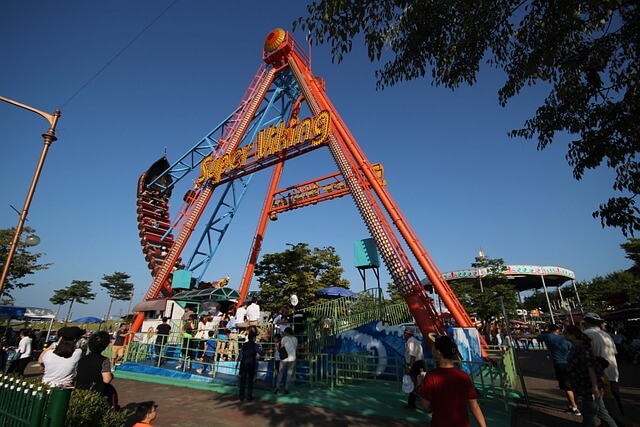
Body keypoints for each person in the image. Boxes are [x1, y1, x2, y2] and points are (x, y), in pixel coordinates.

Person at [418, 335, 486, 427]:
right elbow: (475, 407)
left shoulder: (432, 376)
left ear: (438, 352)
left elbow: (425, 404)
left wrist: (419, 385)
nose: (432, 349)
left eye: (434, 346)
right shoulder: (464, 376)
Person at [564, 325, 617, 427]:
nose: (563, 335)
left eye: (565, 333)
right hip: (585, 386)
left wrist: (594, 387)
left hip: (588, 386)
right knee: (601, 413)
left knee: (589, 416)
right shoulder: (576, 347)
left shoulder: (582, 349)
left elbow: (590, 369)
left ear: (572, 335)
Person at [583, 312, 623, 415]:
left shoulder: (586, 334)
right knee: (614, 397)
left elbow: (585, 355)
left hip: (599, 373)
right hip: (612, 371)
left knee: (603, 402)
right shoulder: (606, 334)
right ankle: (620, 416)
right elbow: (615, 352)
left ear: (587, 322)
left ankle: (613, 420)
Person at [537, 324, 581, 415]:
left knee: (567, 387)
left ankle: (574, 407)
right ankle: (574, 404)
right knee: (572, 385)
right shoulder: (566, 339)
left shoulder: (549, 336)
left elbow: (536, 337)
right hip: (570, 363)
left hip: (560, 364)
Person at [76, 331, 118, 409]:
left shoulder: (82, 359)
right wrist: (112, 375)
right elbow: (107, 380)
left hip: (79, 392)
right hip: (95, 394)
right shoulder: (104, 360)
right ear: (104, 347)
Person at [237, 330, 265, 402]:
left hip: (244, 362)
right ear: (254, 338)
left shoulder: (244, 344)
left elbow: (240, 354)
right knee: (250, 380)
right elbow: (261, 353)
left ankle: (241, 396)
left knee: (243, 380)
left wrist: (238, 362)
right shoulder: (255, 345)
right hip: (251, 363)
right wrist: (263, 350)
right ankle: (249, 396)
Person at [403, 326, 425, 409]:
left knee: (416, 383)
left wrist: (410, 367)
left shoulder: (411, 342)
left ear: (407, 333)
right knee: (414, 383)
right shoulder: (413, 341)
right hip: (418, 364)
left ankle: (426, 404)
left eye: (405, 333)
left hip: (416, 365)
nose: (403, 334)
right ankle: (411, 403)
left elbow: (413, 356)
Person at [274, 326, 297, 395]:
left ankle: (277, 388)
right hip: (292, 358)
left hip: (284, 358)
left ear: (287, 332)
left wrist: (277, 347)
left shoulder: (284, 338)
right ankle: (286, 388)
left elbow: (281, 348)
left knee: (280, 373)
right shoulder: (295, 339)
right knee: (289, 374)